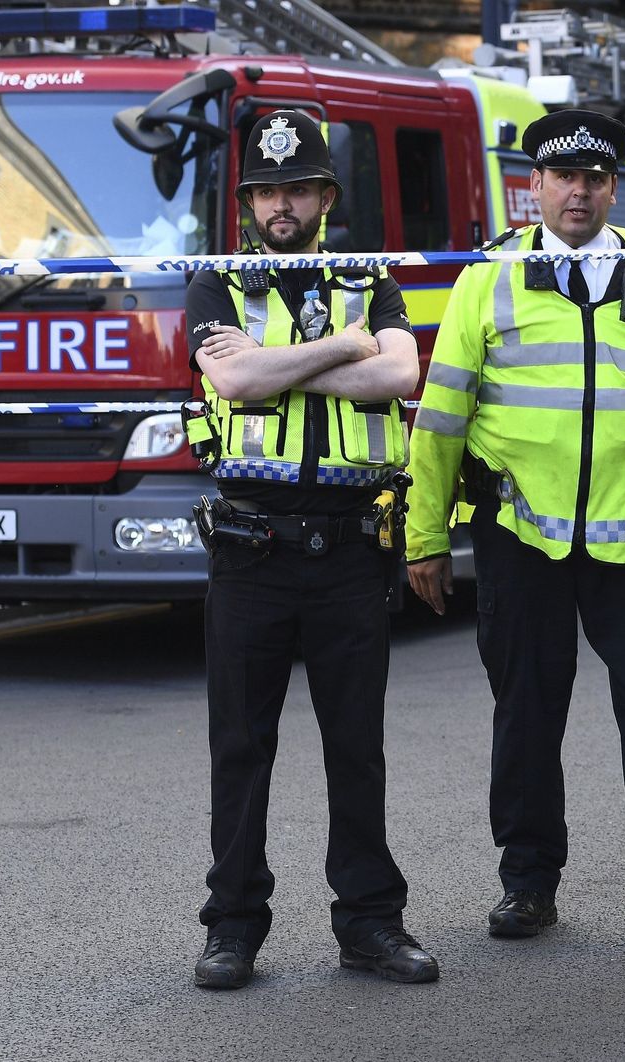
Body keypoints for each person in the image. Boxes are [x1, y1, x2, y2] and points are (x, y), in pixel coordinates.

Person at [405, 109, 625, 950]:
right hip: (519, 534)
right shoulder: (487, 281)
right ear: (534, 186)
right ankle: (528, 885)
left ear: (612, 188)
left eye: (595, 178)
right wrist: (423, 537)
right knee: (527, 714)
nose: (580, 191)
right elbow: (441, 418)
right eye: (564, 176)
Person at [183, 110, 436, 989]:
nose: (280, 205)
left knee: (355, 748)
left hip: (351, 552)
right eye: (265, 192)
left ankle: (370, 922)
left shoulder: (372, 278)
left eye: (297, 189)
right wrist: (341, 348)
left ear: (326, 195)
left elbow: (400, 375)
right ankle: (233, 926)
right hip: (252, 552)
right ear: (248, 203)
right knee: (241, 748)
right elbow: (236, 379)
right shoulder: (217, 284)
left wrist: (281, 358)